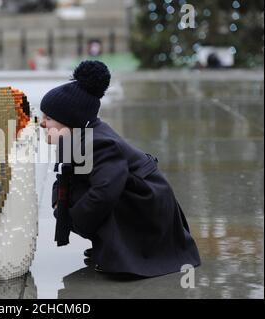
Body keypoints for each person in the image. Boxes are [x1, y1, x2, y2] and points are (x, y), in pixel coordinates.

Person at [39, 60, 201, 278]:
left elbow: (105, 191)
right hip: (140, 200)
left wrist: (74, 218)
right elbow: (66, 181)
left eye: (48, 118)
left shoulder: (97, 143)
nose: (41, 124)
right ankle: (115, 248)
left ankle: (127, 254)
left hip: (148, 207)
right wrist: (63, 208)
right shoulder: (75, 139)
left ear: (70, 120)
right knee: (75, 194)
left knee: (86, 197)